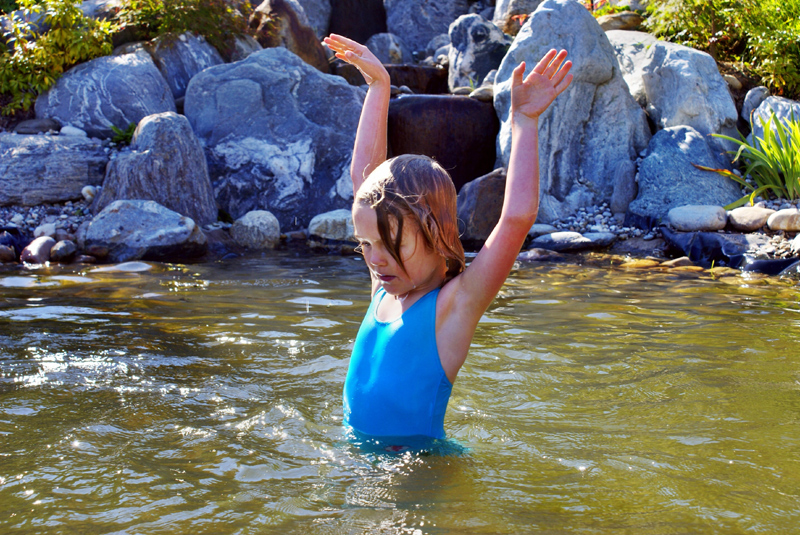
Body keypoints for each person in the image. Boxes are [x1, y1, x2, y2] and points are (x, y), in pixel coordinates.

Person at [324, 34, 573, 445]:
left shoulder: (454, 306)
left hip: (418, 478)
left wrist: (525, 123)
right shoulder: (384, 290)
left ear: (435, 234)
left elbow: (516, 218)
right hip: (363, 465)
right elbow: (362, 178)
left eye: (391, 244)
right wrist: (378, 87)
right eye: (365, 244)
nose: (375, 260)